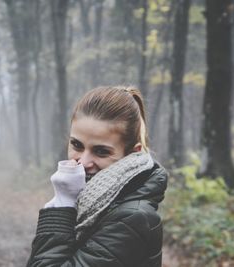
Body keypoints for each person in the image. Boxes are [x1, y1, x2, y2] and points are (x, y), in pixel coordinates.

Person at [27, 85, 168, 267]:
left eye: (101, 151)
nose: (83, 163)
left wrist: (63, 203)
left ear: (133, 153)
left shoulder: (132, 219)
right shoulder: (92, 199)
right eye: (77, 145)